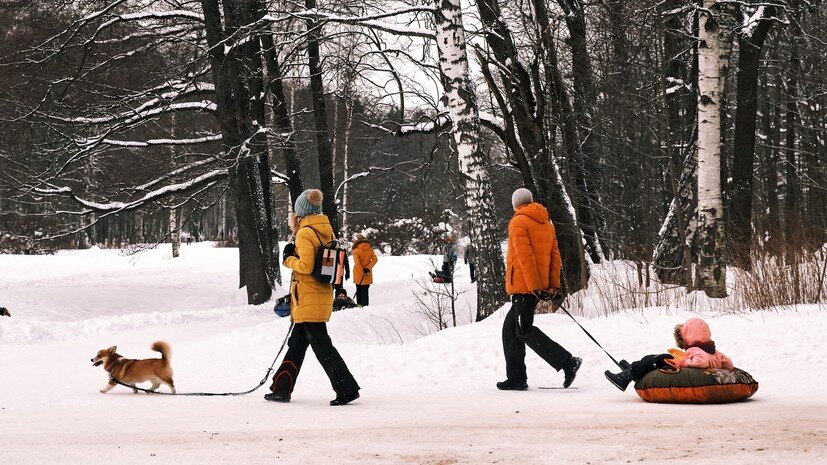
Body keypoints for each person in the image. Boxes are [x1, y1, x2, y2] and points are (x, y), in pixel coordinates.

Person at [265, 189, 360, 406]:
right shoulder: (327, 230)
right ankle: (281, 388)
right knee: (297, 344)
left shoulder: (305, 233)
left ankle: (347, 388)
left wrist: (288, 258)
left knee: (323, 347)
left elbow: (305, 266)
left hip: (308, 298)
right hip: (318, 295)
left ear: (301, 213)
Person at [498, 188, 581, 391]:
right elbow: (555, 257)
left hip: (525, 287)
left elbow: (525, 258)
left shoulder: (518, 222)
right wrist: (552, 286)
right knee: (510, 331)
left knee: (523, 330)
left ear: (516, 204)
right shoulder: (546, 223)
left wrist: (534, 287)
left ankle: (566, 362)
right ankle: (516, 378)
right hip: (535, 286)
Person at [604, 317, 734, 391]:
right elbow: (728, 364)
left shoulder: (695, 350)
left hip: (686, 373)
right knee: (655, 358)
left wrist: (685, 362)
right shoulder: (714, 351)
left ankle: (628, 375)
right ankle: (632, 368)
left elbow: (701, 362)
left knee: (660, 359)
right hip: (699, 373)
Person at [351, 233, 378, 306]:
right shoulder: (370, 249)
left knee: (359, 291)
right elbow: (375, 259)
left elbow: (357, 263)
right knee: (365, 291)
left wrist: (362, 272)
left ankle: (359, 306)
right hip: (367, 274)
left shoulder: (356, 250)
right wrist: (367, 268)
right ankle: (365, 306)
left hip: (358, 274)